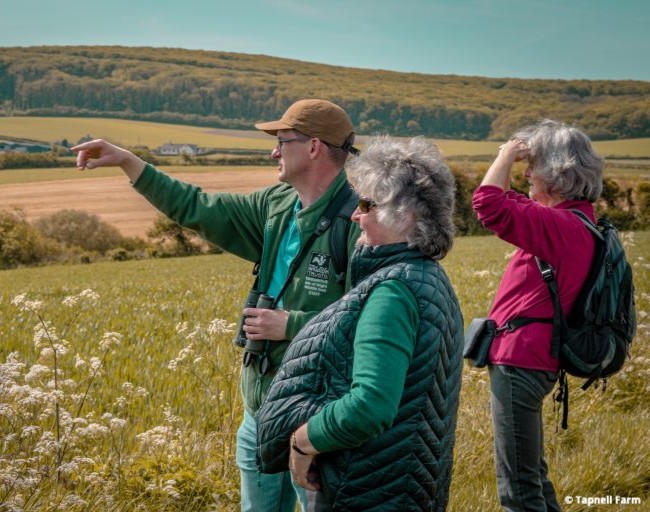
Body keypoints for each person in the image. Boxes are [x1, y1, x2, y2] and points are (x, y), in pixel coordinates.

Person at [72, 99, 362, 512]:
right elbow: (198, 208)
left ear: (314, 146)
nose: (273, 152)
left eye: (282, 141)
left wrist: (292, 324)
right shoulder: (277, 204)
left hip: (316, 415)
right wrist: (129, 162)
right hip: (259, 406)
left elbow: (373, 318)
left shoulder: (359, 222)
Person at [256, 135, 465, 511]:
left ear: (406, 215)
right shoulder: (426, 277)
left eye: (367, 204)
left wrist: (303, 441)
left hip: (368, 488)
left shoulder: (394, 291)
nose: (356, 214)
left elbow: (370, 405)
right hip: (400, 483)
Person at [472, 119, 604, 511]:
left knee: (519, 488)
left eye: (535, 165)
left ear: (557, 173)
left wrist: (505, 154)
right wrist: (511, 166)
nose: (527, 173)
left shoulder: (561, 226)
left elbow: (489, 204)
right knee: (533, 477)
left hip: (521, 361)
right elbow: (510, 203)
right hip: (534, 359)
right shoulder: (574, 221)